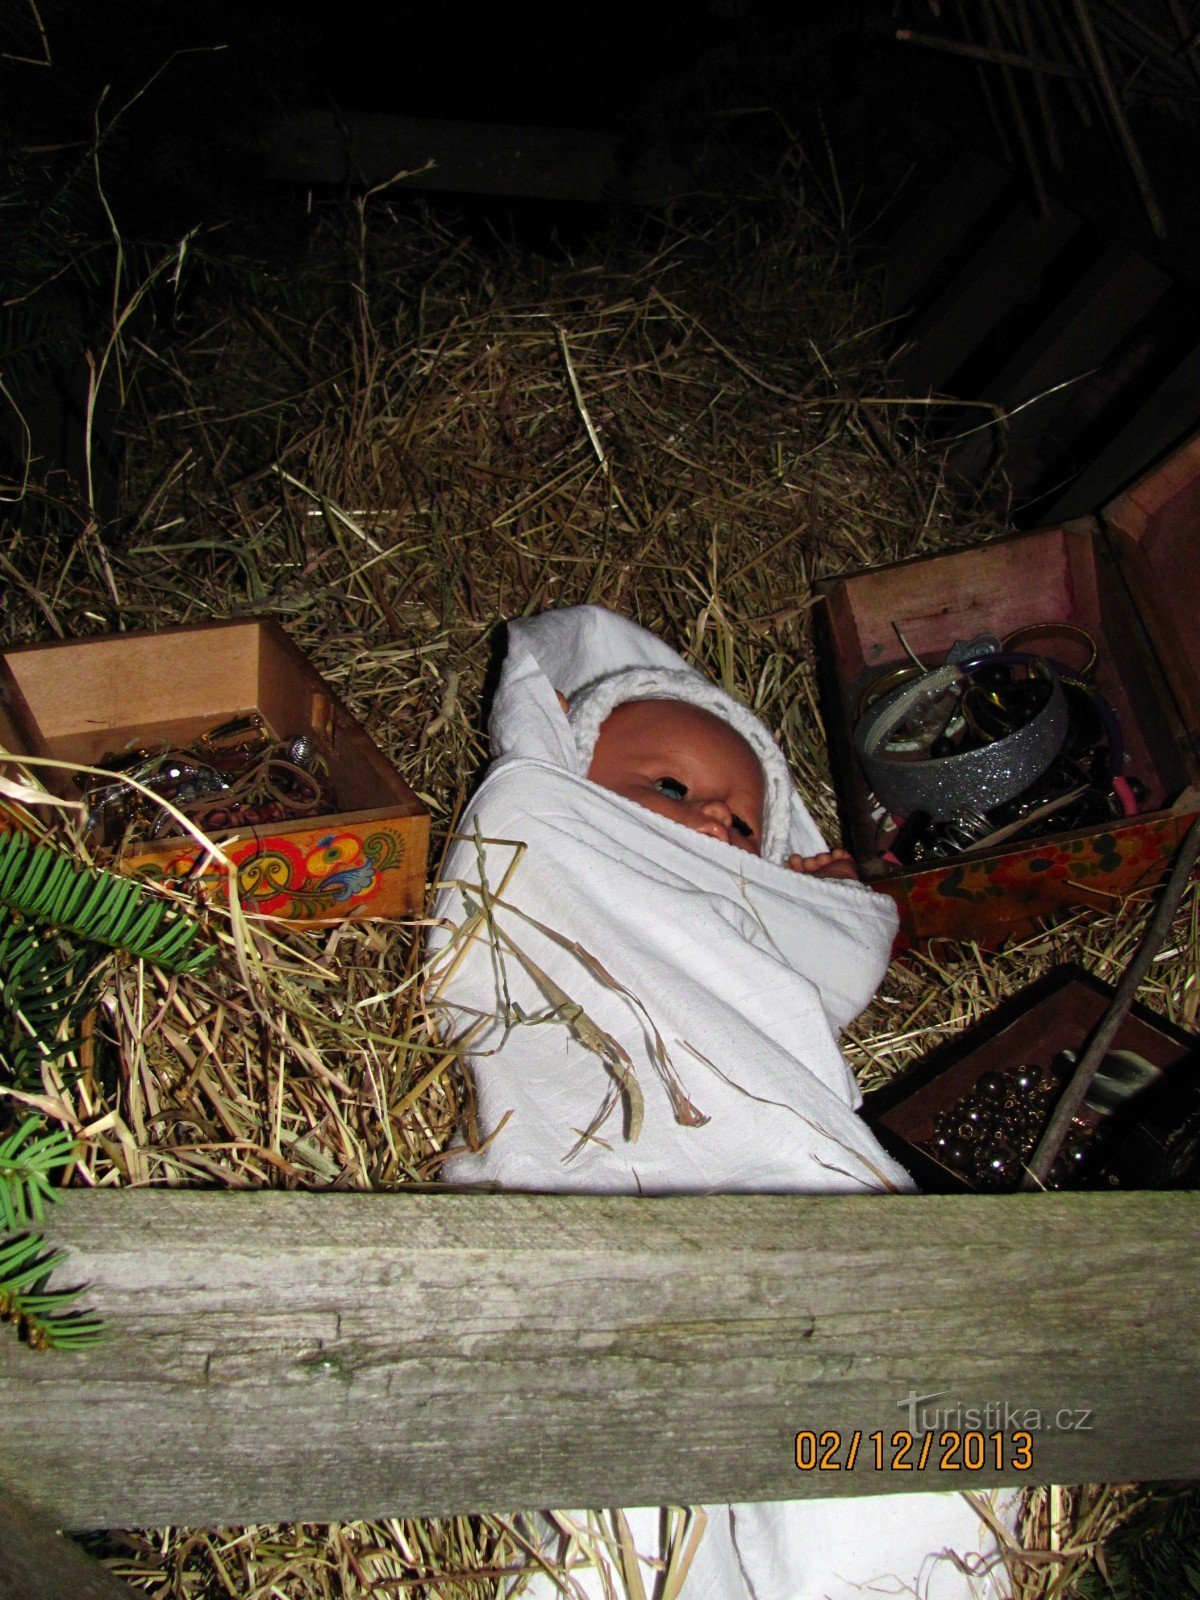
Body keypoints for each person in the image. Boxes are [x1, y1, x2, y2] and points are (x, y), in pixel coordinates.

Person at [428, 605, 1015, 1598]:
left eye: (745, 823)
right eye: (670, 787)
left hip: (782, 1185)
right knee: (618, 1486)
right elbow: (506, 859)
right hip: (593, 1188)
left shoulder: (740, 911)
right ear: (570, 776)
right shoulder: (551, 839)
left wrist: (814, 901)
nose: (713, 823)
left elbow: (833, 968)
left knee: (876, 1413)